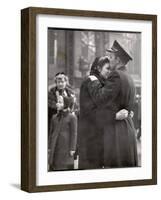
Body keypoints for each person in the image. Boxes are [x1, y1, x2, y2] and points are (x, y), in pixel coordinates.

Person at [88, 40, 138, 168]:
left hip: (116, 133)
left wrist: (94, 81)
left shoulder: (116, 75)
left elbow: (100, 98)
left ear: (118, 60)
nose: (109, 60)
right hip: (127, 130)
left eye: (111, 57)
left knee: (114, 172)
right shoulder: (129, 77)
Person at [78, 56, 129, 169]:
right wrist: (114, 116)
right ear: (98, 68)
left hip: (99, 140)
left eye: (111, 69)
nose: (110, 72)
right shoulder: (90, 82)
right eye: (107, 69)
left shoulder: (103, 83)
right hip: (90, 141)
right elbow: (91, 113)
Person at [48, 77, 77, 171]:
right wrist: (49, 146)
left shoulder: (71, 117)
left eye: (60, 102)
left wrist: (72, 148)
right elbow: (51, 133)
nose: (57, 104)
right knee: (54, 165)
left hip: (65, 148)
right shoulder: (54, 117)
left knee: (64, 167)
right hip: (55, 146)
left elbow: (74, 133)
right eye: (58, 82)